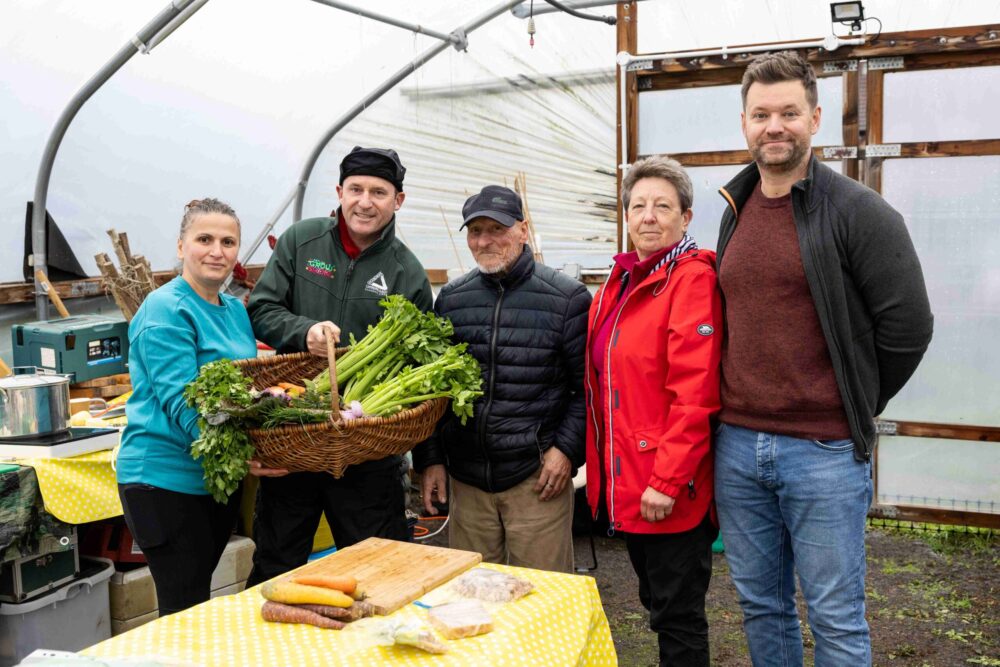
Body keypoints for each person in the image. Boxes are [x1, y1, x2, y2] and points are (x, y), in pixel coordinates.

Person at [714, 51, 934, 666]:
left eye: (789, 113)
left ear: (814, 119)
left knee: (835, 616)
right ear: (744, 123)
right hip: (738, 446)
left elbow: (909, 327)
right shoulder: (735, 206)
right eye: (761, 114)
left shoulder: (858, 212)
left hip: (824, 451)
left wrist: (852, 399)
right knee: (761, 605)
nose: (774, 126)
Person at [245, 146, 432, 586]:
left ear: (398, 200)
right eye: (356, 189)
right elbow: (261, 309)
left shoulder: (407, 272)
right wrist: (303, 331)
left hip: (367, 448)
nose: (365, 202)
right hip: (295, 435)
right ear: (339, 192)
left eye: (379, 192)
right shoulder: (301, 242)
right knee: (277, 565)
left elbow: (419, 371)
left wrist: (428, 460)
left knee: (377, 572)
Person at [584, 157, 722, 666]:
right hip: (629, 478)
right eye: (638, 205)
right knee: (657, 605)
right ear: (625, 216)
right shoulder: (620, 282)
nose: (648, 216)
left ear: (685, 217)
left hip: (665, 483)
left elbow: (696, 392)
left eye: (662, 206)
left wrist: (666, 480)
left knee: (678, 619)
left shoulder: (690, 280)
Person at [414, 185, 591, 573]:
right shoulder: (452, 299)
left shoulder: (567, 298)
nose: (485, 241)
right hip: (467, 481)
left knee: (542, 594)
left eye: (497, 229)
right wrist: (431, 458)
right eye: (476, 231)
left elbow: (586, 389)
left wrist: (566, 451)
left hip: (535, 477)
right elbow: (433, 391)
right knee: (472, 592)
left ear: (523, 230)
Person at [116, 198, 257, 615]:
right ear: (181, 246)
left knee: (196, 606)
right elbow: (183, 402)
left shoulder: (235, 310)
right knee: (183, 610)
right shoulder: (165, 308)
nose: (217, 251)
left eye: (228, 242)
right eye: (204, 239)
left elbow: (244, 387)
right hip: (164, 482)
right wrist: (249, 456)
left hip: (215, 481)